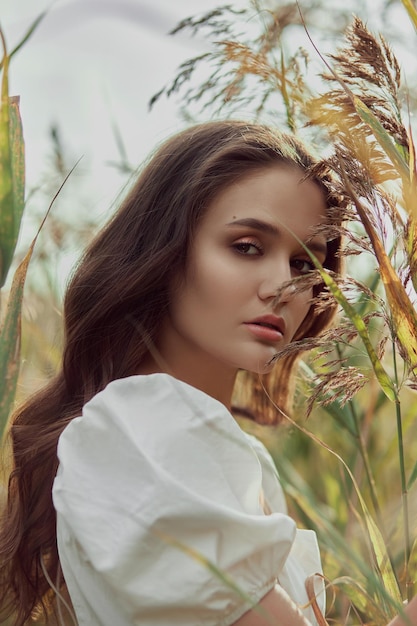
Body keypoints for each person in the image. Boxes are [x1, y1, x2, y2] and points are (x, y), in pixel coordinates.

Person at [0, 120, 415, 626]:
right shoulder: (139, 428)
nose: (283, 287)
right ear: (165, 252)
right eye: (246, 247)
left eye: (306, 265)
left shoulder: (234, 457)